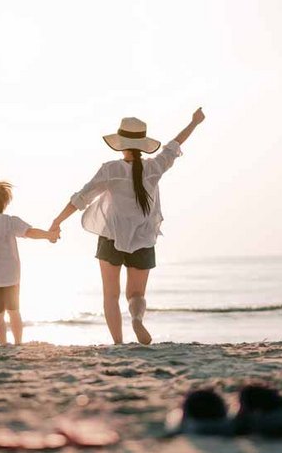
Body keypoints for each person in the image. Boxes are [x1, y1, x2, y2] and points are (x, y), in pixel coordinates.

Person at [50, 108, 206, 345]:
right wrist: (194, 122)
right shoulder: (155, 167)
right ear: (142, 145)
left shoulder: (111, 170)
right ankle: (136, 318)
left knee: (111, 296)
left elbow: (81, 198)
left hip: (111, 236)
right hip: (143, 238)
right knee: (136, 295)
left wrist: (57, 221)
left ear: (121, 144)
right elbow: (174, 145)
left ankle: (118, 343)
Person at [0, 182, 59, 346]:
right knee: (14, 312)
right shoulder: (11, 221)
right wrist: (49, 235)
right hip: (11, 275)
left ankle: (3, 344)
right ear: (5, 203)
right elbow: (31, 232)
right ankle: (18, 342)